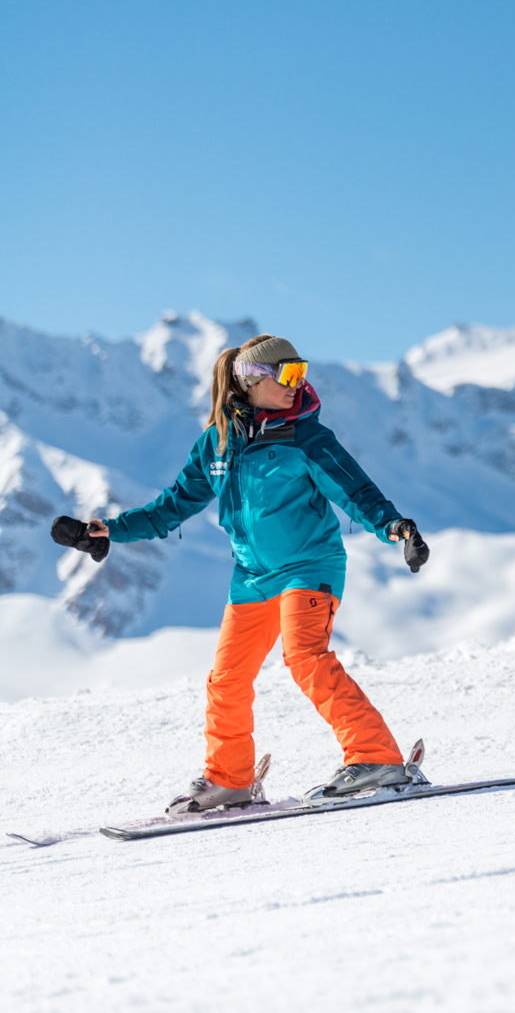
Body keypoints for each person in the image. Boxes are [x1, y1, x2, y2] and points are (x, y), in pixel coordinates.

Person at [49, 334, 431, 812]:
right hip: (251, 577)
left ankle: (376, 758)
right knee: (226, 680)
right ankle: (230, 780)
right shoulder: (218, 443)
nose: (299, 384)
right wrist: (110, 532)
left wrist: (396, 526)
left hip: (309, 567)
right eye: (288, 375)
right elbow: (172, 507)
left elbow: (356, 491)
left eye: (302, 372)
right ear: (252, 380)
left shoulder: (307, 437)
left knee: (306, 658)